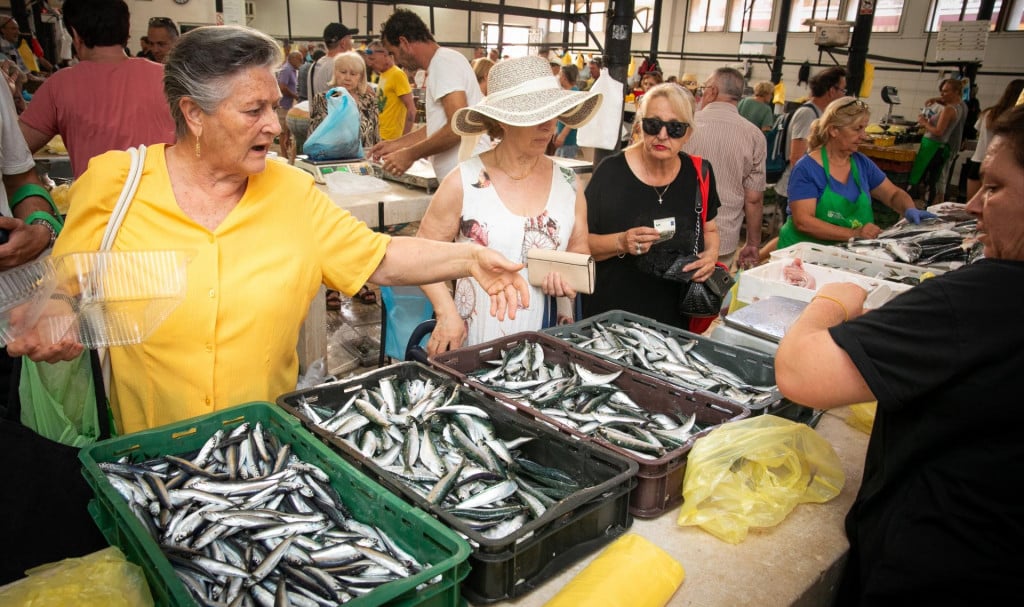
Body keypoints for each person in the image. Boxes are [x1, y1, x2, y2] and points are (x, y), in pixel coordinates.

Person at [7, 25, 530, 436]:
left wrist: (467, 260)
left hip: (264, 446)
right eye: (253, 110)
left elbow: (379, 256)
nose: (276, 127)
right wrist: (52, 317)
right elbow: (61, 288)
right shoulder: (114, 185)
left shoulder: (292, 192)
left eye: (274, 108)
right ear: (193, 114)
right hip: (149, 452)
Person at [774, 104, 1024, 606]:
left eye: (993, 188)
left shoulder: (982, 300)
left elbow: (799, 372)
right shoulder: (810, 167)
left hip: (939, 563)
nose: (973, 206)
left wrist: (831, 300)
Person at [416, 56, 601, 354]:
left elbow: (579, 248)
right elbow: (422, 253)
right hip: (474, 337)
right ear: (502, 119)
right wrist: (446, 312)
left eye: (552, 113)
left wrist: (567, 278)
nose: (548, 125)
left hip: (547, 341)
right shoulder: (464, 182)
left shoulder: (569, 185)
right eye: (534, 115)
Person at [583, 82, 722, 331]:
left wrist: (711, 256)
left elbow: (710, 230)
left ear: (688, 133)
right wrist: (621, 242)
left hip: (673, 323)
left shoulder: (699, 174)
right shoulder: (611, 173)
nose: (662, 135)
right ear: (639, 125)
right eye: (653, 125)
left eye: (675, 128)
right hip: (611, 321)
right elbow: (581, 244)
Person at [17, 0, 176, 179]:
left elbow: (12, 151)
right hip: (165, 204)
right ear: (127, 30)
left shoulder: (60, 85)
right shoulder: (169, 78)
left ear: (75, 35)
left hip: (96, 205)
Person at [776, 97, 934, 250]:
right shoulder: (807, 168)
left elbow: (892, 194)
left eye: (864, 128)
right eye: (857, 129)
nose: (863, 136)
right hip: (801, 255)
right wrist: (855, 233)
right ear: (833, 130)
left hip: (844, 253)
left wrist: (909, 209)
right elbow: (803, 222)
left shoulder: (861, 163)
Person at [371, 9, 490, 181]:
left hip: (467, 178)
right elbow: (439, 127)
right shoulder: (441, 63)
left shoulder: (443, 63)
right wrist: (396, 144)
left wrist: (409, 155)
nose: (396, 61)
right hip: (462, 178)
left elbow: (458, 127)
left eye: (393, 53)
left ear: (404, 43)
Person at [683, 67, 765, 270]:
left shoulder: (686, 125)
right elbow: (753, 199)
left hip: (678, 230)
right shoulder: (754, 136)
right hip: (723, 238)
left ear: (711, 91)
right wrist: (753, 243)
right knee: (711, 296)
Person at [774, 66, 847, 212]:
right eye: (842, 90)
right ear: (832, 91)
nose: (843, 95)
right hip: (796, 191)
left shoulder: (820, 115)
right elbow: (796, 157)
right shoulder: (808, 114)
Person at [908, 78, 966, 205]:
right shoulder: (961, 106)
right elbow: (949, 101)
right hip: (941, 147)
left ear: (956, 92)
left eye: (945, 91)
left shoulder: (949, 110)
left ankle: (928, 204)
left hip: (934, 147)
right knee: (936, 180)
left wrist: (924, 123)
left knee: (931, 181)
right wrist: (937, 99)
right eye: (941, 91)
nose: (942, 94)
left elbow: (938, 131)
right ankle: (931, 205)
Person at [308, 50, 379, 152]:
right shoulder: (322, 99)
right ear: (335, 73)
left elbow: (375, 136)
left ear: (360, 77)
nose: (347, 78)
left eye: (353, 74)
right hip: (331, 160)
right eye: (343, 72)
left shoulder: (369, 101)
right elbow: (313, 134)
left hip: (364, 160)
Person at [965, 78, 1024, 200]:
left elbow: (978, 131)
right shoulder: (1016, 121)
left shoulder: (988, 113)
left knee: (971, 206)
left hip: (977, 161)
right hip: (1001, 167)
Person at [364, 40, 415, 141]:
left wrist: (403, 140)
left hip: (391, 138)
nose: (370, 63)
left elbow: (411, 110)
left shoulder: (397, 75)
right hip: (381, 136)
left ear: (385, 54)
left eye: (372, 59)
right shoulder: (384, 74)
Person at [310, 22, 357, 114]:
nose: (352, 45)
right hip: (336, 125)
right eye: (350, 40)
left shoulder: (315, 65)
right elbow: (339, 98)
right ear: (343, 43)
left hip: (318, 124)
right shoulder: (339, 67)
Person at [552, 64, 582, 159]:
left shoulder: (574, 93)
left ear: (564, 77)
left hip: (569, 141)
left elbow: (574, 118)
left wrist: (562, 136)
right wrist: (557, 131)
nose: (558, 77)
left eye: (560, 75)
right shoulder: (567, 92)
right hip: (564, 140)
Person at [276, 50, 302, 159]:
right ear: (292, 59)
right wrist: (295, 96)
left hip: (289, 105)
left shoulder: (291, 70)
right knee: (283, 133)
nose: (301, 62)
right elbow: (282, 87)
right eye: (299, 60)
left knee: (288, 133)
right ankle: (284, 156)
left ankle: (287, 155)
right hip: (284, 105)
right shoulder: (286, 69)